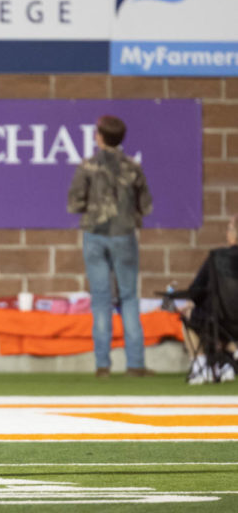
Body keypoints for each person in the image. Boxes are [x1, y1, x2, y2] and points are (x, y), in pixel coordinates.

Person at [67, 115, 154, 378]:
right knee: (128, 298)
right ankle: (135, 364)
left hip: (95, 235)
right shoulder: (132, 167)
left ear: (100, 137)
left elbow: (74, 204)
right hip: (124, 235)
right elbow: (147, 205)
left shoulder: (88, 166)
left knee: (101, 299)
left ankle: (102, 365)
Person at [180, 214, 238, 385]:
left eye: (228, 229)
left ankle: (200, 367)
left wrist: (190, 303)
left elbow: (195, 290)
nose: (226, 233)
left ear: (234, 234)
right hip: (230, 326)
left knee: (190, 316)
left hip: (220, 321)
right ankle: (228, 362)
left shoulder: (217, 257)